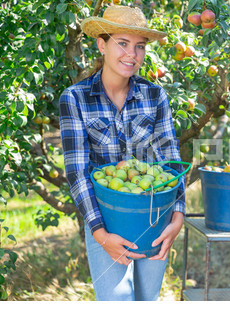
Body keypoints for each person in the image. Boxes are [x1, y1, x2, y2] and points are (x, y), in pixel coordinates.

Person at [59, 6, 185, 301]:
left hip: (156, 215)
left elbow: (171, 158)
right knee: (116, 303)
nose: (133, 54)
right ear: (101, 45)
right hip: (107, 221)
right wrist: (101, 235)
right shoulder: (75, 99)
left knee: (147, 299)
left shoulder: (155, 96)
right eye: (123, 43)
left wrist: (177, 217)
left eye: (139, 46)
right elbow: (77, 172)